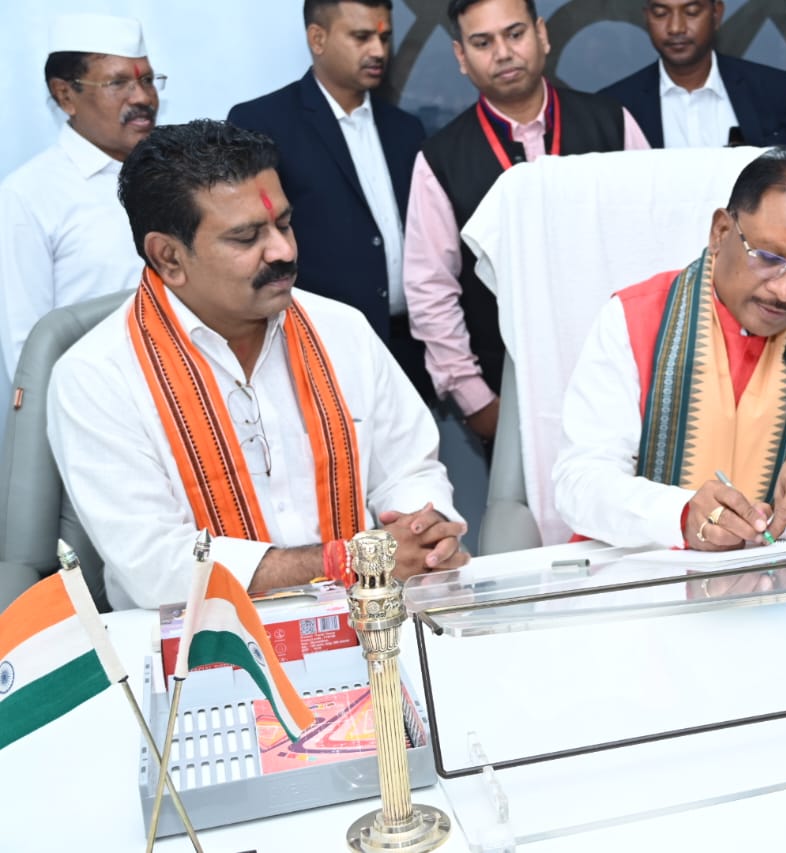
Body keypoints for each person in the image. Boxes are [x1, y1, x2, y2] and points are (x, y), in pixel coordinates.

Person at [48, 120, 467, 611]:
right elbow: (159, 567)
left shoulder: (342, 330)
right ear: (169, 258)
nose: (284, 251)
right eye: (247, 238)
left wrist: (423, 531)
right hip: (199, 656)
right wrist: (344, 561)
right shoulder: (97, 377)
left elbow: (408, 469)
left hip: (370, 627)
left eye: (284, 224)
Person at [553, 147, 786, 550]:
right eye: (768, 258)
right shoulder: (632, 318)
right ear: (720, 233)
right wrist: (679, 515)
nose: (785, 291)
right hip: (643, 571)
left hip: (776, 575)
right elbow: (579, 481)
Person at [403, 0, 649, 447]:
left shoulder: (612, 123)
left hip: (623, 381)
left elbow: (654, 248)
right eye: (482, 42)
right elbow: (430, 291)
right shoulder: (440, 160)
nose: (503, 52)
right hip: (510, 393)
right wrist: (476, 400)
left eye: (514, 34)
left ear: (542, 34)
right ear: (462, 57)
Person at [227, 0, 435, 404]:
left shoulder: (406, 129)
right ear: (317, 38)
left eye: (384, 36)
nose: (378, 50)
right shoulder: (263, 122)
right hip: (313, 354)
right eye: (361, 36)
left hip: (408, 354)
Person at [0, 13, 158, 379]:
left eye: (147, 80)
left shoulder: (177, 173)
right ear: (65, 95)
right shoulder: (27, 196)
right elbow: (28, 350)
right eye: (118, 83)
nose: (143, 97)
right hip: (95, 411)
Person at [598, 0, 786, 149]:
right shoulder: (615, 106)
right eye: (661, 13)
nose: (676, 27)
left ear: (717, 14)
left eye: (692, 12)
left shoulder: (773, 90)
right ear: (647, 17)